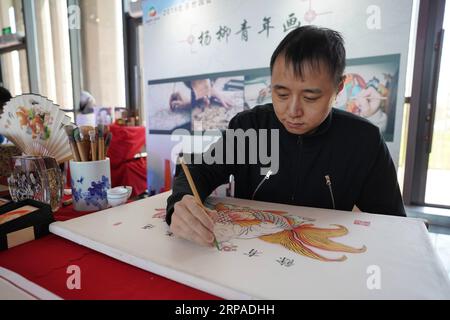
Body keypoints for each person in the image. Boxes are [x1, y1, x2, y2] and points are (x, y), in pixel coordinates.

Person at [166, 26, 406, 247]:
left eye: (310, 97)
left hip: (319, 257)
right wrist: (181, 202)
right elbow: (198, 168)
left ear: (338, 88)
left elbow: (391, 222)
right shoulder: (251, 127)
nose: (292, 111)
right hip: (251, 257)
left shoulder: (362, 141)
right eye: (281, 94)